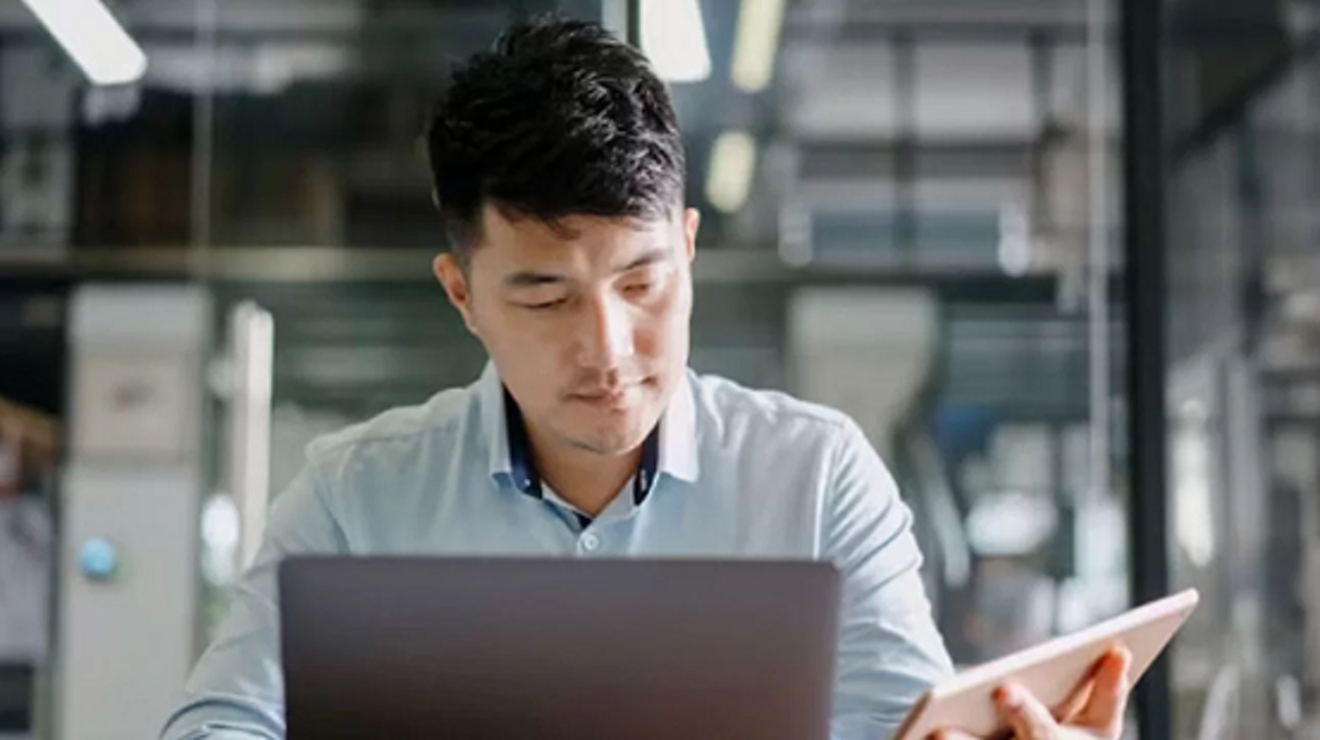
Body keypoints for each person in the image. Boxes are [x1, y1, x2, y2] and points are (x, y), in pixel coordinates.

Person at [161, 17, 1131, 740]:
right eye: (546, 295)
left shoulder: (816, 478)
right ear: (463, 293)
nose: (609, 346)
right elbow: (216, 727)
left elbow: (908, 728)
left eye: (642, 282)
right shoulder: (357, 498)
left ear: (690, 247)